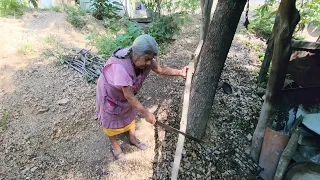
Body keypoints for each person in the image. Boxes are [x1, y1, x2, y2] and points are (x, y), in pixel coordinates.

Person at [96, 34, 188, 160]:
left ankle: (132, 138)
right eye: (147, 59)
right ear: (136, 55)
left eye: (152, 58)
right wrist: (146, 113)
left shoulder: (143, 58)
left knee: (129, 111)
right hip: (111, 94)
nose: (150, 62)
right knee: (110, 118)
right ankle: (115, 145)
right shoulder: (121, 68)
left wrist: (180, 72)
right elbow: (129, 97)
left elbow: (160, 70)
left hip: (127, 94)